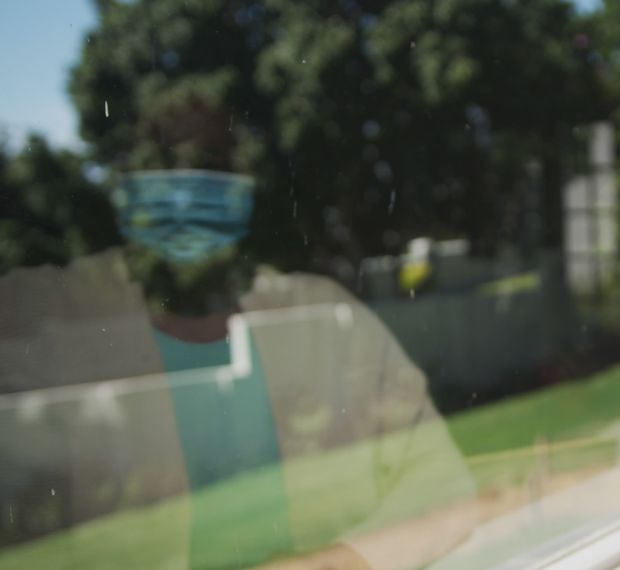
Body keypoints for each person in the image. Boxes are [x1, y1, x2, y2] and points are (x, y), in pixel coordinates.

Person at [0, 98, 475, 569]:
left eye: (208, 172)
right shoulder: (51, 317)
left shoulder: (326, 319)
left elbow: (440, 480)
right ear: (125, 193)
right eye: (163, 173)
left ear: (243, 194)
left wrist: (345, 562)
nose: (186, 200)